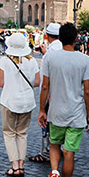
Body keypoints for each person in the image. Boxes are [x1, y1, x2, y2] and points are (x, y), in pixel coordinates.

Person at [38, 22, 89, 177]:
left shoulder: (50, 58)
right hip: (76, 114)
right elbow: (87, 91)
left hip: (56, 112)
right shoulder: (85, 60)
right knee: (69, 153)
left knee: (54, 144)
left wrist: (41, 110)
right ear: (76, 38)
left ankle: (54, 172)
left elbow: (45, 86)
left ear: (60, 38)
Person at [0, 33, 40, 177]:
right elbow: (37, 82)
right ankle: (21, 166)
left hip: (9, 100)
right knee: (22, 134)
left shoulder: (4, 61)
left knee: (9, 133)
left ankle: (15, 167)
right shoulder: (32, 61)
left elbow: (1, 83)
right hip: (27, 101)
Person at [29, 22, 62, 164]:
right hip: (64, 94)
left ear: (47, 36)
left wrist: (43, 102)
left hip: (51, 94)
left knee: (46, 124)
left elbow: (45, 80)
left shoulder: (50, 54)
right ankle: (59, 149)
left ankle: (46, 153)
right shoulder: (63, 49)